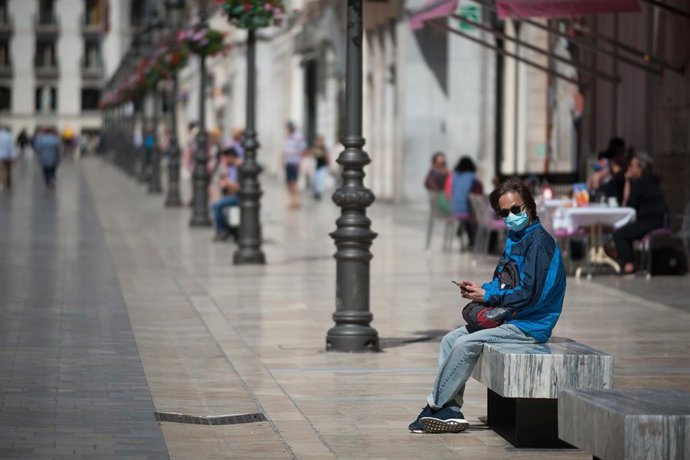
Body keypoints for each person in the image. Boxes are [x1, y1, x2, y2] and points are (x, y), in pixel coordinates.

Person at [408, 177, 567, 434]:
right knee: (450, 339)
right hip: (511, 318)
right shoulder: (515, 237)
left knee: (465, 343)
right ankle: (450, 409)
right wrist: (480, 291)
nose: (511, 216)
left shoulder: (539, 243)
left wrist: (489, 297)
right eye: (504, 213)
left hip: (530, 325)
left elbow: (530, 294)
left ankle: (435, 407)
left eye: (516, 209)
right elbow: (502, 282)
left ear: (529, 205)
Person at [612, 151, 668, 275]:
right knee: (626, 231)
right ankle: (631, 263)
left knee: (620, 234)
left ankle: (628, 265)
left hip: (650, 221)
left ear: (640, 168)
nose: (630, 169)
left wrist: (627, 181)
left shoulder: (640, 183)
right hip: (659, 219)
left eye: (632, 166)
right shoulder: (653, 180)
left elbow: (629, 206)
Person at [450, 156, 483, 248]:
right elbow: (479, 195)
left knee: (468, 215)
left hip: (454, 209)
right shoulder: (473, 178)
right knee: (478, 215)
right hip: (467, 210)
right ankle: (475, 240)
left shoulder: (454, 177)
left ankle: (461, 229)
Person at [211, 146, 241, 242]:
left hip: (239, 198)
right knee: (217, 203)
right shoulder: (230, 167)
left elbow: (238, 187)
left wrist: (227, 183)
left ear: (231, 156)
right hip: (233, 196)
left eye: (226, 157)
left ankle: (222, 231)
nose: (225, 160)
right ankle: (225, 230)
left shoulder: (240, 167)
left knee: (216, 206)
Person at [282, 121, 307, 209]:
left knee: (294, 182)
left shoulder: (298, 137)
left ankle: (297, 201)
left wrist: (300, 162)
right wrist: (283, 161)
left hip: (295, 162)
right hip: (288, 162)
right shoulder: (287, 137)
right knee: (288, 182)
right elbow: (285, 151)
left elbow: (303, 150)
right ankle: (292, 200)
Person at [310, 134, 330, 200]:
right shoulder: (315, 147)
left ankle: (319, 193)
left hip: (322, 167)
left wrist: (329, 166)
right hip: (316, 167)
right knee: (316, 180)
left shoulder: (323, 148)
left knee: (320, 181)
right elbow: (312, 154)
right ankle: (316, 193)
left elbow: (326, 157)